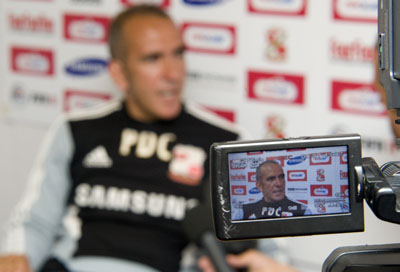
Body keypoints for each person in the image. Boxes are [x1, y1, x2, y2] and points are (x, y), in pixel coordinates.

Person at [0, 4, 293, 272]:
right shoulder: (75, 129)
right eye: (153, 58)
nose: (173, 73)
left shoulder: (225, 142)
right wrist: (16, 255)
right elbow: (35, 222)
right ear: (119, 73)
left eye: (178, 54)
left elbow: (267, 252)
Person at [240, 160, 310, 219]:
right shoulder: (244, 211)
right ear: (260, 186)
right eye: (271, 179)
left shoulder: (303, 211)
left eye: (281, 177)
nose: (279, 184)